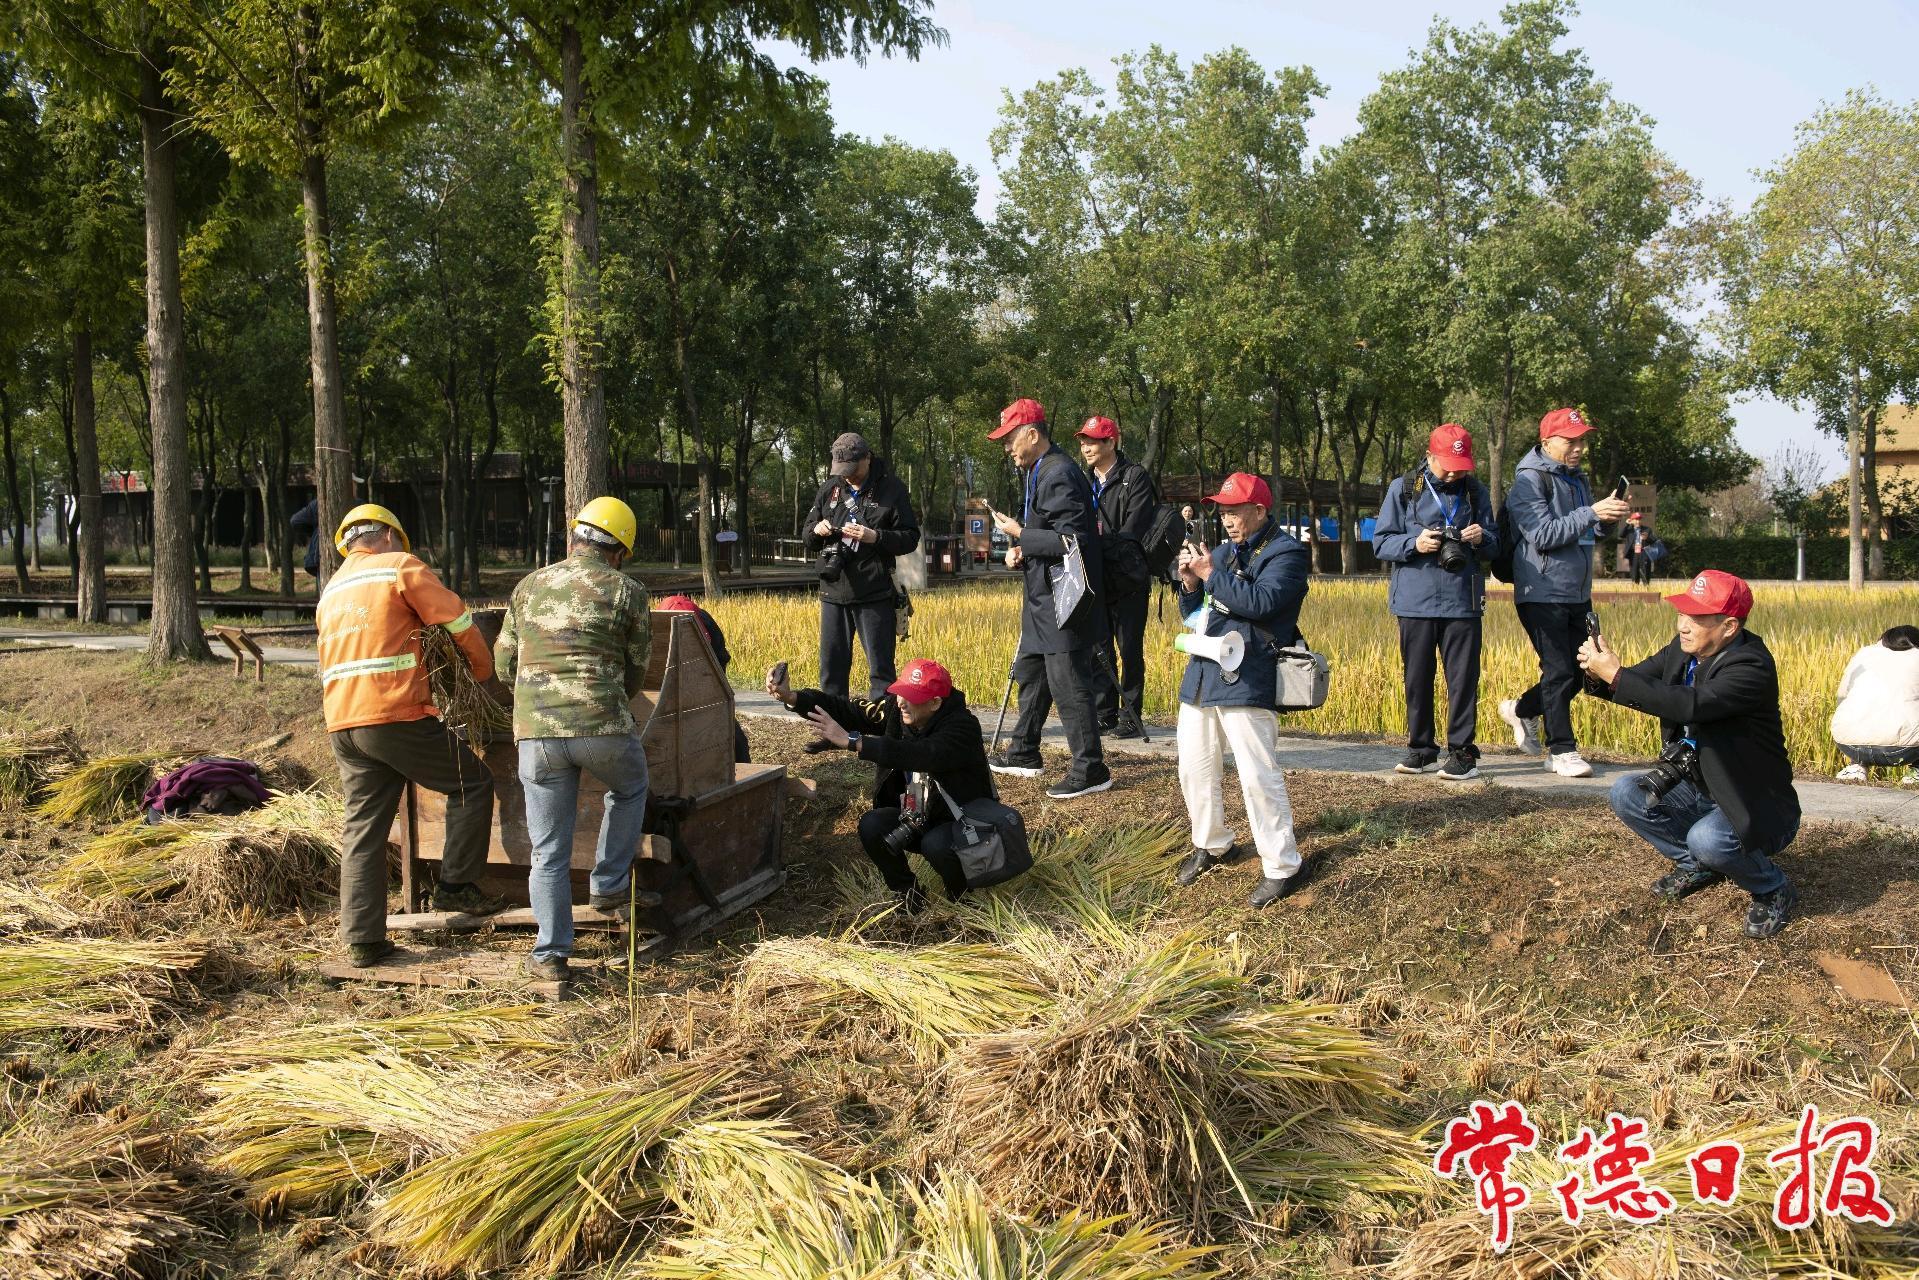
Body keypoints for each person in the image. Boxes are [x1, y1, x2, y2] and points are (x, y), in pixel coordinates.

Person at [317, 503, 504, 967]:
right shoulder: (399, 567)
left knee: (363, 828)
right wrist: (483, 675)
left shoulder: (332, 590)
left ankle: (362, 941)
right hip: (394, 714)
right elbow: (457, 620)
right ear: (386, 536)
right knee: (471, 783)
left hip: (343, 723)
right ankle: (456, 887)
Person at [1580, 570, 1800, 939]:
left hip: (1751, 801)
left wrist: (1616, 676)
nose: (1683, 624)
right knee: (1626, 793)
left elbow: (1691, 704)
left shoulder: (1750, 665)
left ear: (1729, 627)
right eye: (1682, 613)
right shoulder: (1682, 651)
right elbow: (1636, 682)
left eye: (1696, 617)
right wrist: (1597, 670)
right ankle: (1699, 865)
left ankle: (1772, 887)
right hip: (1699, 787)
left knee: (1708, 839)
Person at [494, 497, 653, 982]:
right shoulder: (628, 591)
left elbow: (504, 663)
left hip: (536, 735)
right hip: (602, 727)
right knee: (630, 788)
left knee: (548, 851)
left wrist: (536, 700)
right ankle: (607, 884)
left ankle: (550, 956)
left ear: (574, 538)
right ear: (619, 552)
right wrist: (608, 699)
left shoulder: (528, 586)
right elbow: (636, 668)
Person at [1170, 472, 1311, 908]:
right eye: (1223, 511)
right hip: (1203, 671)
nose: (1227, 519)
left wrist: (1210, 574)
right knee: (1193, 767)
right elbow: (1197, 615)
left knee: (1256, 775)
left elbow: (1261, 603)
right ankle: (1212, 844)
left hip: (1251, 674)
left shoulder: (1287, 553)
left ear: (1260, 510)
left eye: (1235, 511)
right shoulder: (1223, 553)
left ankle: (1282, 865)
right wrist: (1190, 585)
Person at [766, 657, 994, 914]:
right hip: (919, 816)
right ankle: (908, 895)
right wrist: (793, 698)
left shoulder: (963, 728)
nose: (901, 702)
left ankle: (962, 900)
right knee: (873, 825)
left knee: (935, 844)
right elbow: (849, 710)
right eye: (900, 693)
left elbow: (920, 754)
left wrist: (853, 741)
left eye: (911, 697)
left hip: (963, 824)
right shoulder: (898, 709)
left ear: (935, 703)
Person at [988, 398, 1112, 798]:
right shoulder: (1038, 469)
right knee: (1031, 672)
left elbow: (1072, 540)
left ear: (1031, 434)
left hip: (1063, 600)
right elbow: (1049, 535)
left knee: (1069, 683)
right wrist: (1021, 549)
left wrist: (1021, 534)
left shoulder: (1057, 472)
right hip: (1042, 598)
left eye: (1009, 439)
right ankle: (1024, 751)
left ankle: (1090, 768)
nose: (1007, 448)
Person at [1498, 408, 1632, 778]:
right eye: (1570, 440)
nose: (1578, 447)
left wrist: (1605, 520)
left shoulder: (1577, 479)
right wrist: (1591, 513)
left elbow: (1583, 532)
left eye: (1582, 440)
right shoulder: (1528, 481)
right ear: (1546, 442)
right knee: (1557, 670)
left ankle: (1522, 710)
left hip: (1577, 591)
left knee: (1581, 671)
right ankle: (1561, 750)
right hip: (1541, 590)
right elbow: (1542, 535)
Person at [1372, 424, 1500, 780]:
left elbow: (1496, 544)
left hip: (1462, 601)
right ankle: (1421, 750)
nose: (1455, 473)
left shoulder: (1475, 491)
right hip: (1415, 601)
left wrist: (1481, 537)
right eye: (1448, 465)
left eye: (1461, 466)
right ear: (1429, 456)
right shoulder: (1404, 488)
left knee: (1463, 679)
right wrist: (1414, 544)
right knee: (1416, 678)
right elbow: (1381, 542)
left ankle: (1462, 753)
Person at [801, 432, 920, 751]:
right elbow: (806, 536)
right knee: (832, 669)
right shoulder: (829, 488)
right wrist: (816, 530)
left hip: (874, 592)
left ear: (867, 458)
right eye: (841, 469)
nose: (847, 475)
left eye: (852, 468)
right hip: (833, 591)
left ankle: (881, 734)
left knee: (881, 670)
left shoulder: (892, 489)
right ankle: (831, 732)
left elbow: (910, 537)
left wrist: (875, 537)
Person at [1076, 415, 1158, 739]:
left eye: (1092, 441)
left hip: (1128, 580)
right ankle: (1105, 713)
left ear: (1111, 442)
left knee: (1129, 650)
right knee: (1099, 650)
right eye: (1083, 442)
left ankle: (1131, 716)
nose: (1086, 448)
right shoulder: (1084, 482)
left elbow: (1133, 529)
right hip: (1096, 578)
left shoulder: (1134, 477)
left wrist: (1097, 545)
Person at [657, 593, 751, 764]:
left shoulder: (705, 621)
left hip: (705, 685)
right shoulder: (657, 630)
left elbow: (721, 660)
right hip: (664, 694)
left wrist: (713, 698)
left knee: (737, 742)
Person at [1830, 626, 1919, 785]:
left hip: (1849, 745)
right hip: (1905, 750)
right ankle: (1916, 772)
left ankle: (1856, 767)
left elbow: (1842, 697)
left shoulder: (1863, 653)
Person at [1623, 513, 1659, 586]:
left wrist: (1647, 538)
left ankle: (1646, 586)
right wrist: (1627, 525)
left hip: (1644, 553)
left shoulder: (1647, 529)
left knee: (1645, 570)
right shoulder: (1629, 530)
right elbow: (1621, 535)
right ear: (1632, 520)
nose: (1638, 521)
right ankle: (1635, 587)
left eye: (1639, 519)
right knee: (1634, 571)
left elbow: (1654, 540)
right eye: (1636, 519)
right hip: (1633, 553)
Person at [289, 497, 320, 580]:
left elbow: (295, 521)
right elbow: (295, 521)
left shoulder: (318, 503)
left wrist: (315, 531)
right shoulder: (356, 504)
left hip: (320, 558)